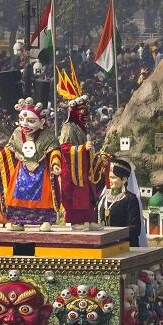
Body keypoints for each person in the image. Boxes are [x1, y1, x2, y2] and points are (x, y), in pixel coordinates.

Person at [3, 97, 61, 231]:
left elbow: (54, 151)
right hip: (22, 170)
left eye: (30, 121)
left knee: (44, 196)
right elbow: (9, 149)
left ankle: (45, 220)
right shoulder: (17, 133)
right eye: (22, 120)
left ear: (41, 122)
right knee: (17, 195)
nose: (25, 124)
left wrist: (55, 163)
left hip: (42, 171)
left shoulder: (48, 135)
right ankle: (18, 221)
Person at [59, 95, 106, 231]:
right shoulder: (68, 127)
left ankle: (88, 219)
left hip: (84, 167)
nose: (85, 115)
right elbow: (64, 148)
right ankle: (76, 222)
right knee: (77, 196)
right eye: (82, 112)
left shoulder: (81, 127)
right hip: (73, 169)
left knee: (88, 194)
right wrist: (82, 148)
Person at [96, 159, 143, 246]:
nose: (110, 180)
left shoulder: (130, 199)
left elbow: (135, 229)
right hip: (103, 247)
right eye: (109, 177)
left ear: (124, 180)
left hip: (124, 248)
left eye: (113, 177)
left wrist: (112, 236)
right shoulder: (102, 199)